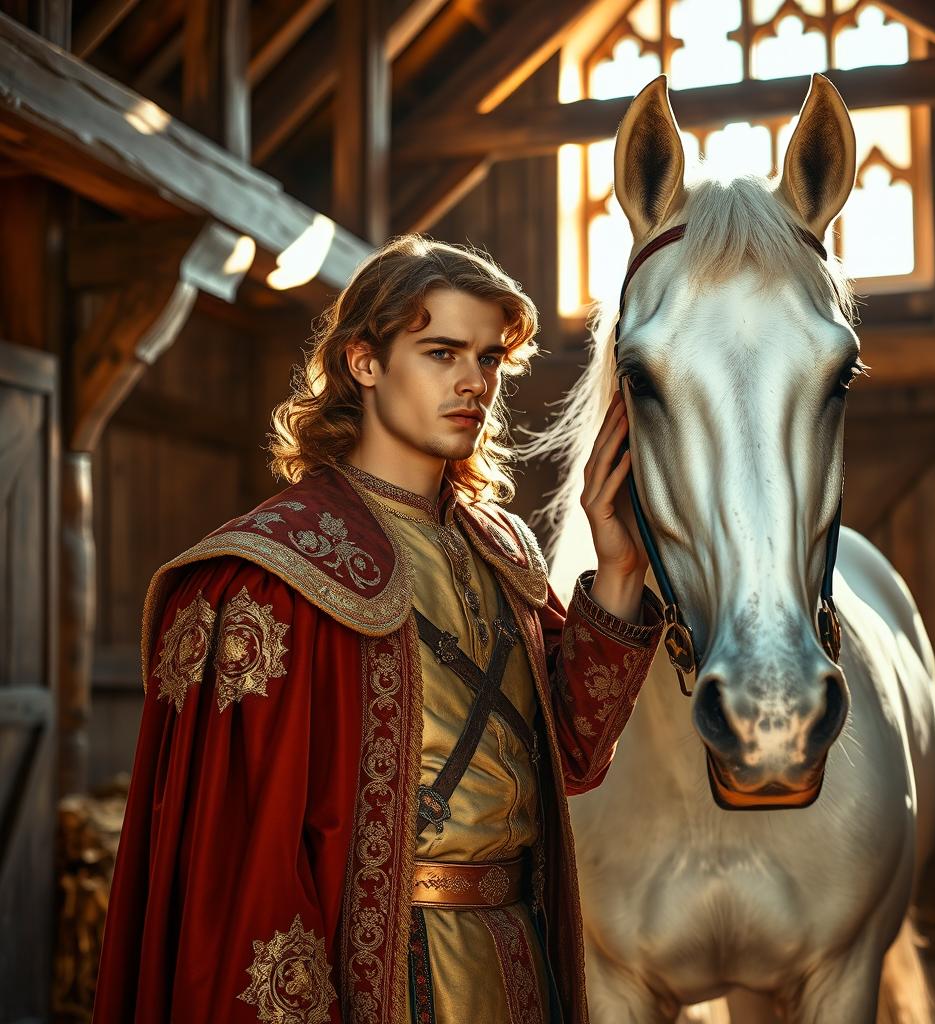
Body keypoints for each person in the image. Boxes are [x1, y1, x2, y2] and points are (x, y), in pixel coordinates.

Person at [92, 235, 664, 1024]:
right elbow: (243, 869)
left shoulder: (503, 552)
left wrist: (622, 569)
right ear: (363, 362)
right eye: (442, 352)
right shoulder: (269, 575)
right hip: (383, 979)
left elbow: (572, 755)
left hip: (522, 960)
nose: (474, 383)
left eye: (490, 359)